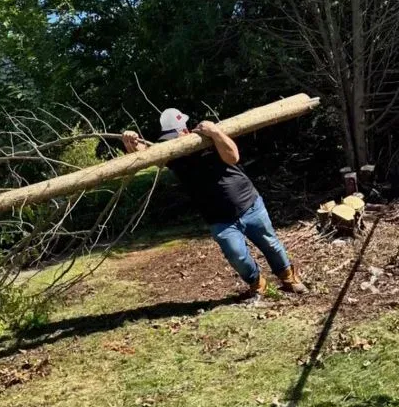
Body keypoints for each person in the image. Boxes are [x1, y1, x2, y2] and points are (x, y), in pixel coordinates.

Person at [122, 108, 306, 301]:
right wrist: (131, 141)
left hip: (249, 203)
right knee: (237, 255)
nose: (182, 133)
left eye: (183, 130)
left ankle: (288, 277)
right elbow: (144, 156)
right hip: (218, 217)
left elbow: (233, 157)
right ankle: (257, 284)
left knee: (271, 244)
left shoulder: (206, 137)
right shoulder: (170, 152)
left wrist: (216, 133)